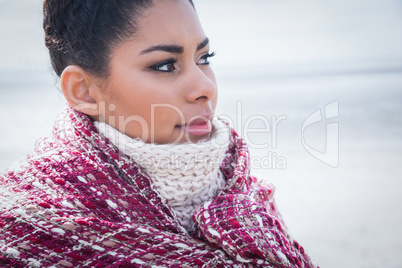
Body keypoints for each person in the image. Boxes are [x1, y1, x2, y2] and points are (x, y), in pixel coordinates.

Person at [0, 0, 318, 267]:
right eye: (166, 65)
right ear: (83, 91)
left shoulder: (246, 200)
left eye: (204, 58)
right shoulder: (22, 229)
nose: (206, 87)